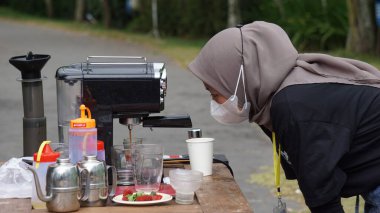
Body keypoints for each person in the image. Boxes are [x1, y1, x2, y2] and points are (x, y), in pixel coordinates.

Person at [187, 21, 380, 213]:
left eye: (214, 93)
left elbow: (323, 197)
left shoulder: (293, 105)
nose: (215, 102)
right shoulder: (273, 97)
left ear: (239, 78)